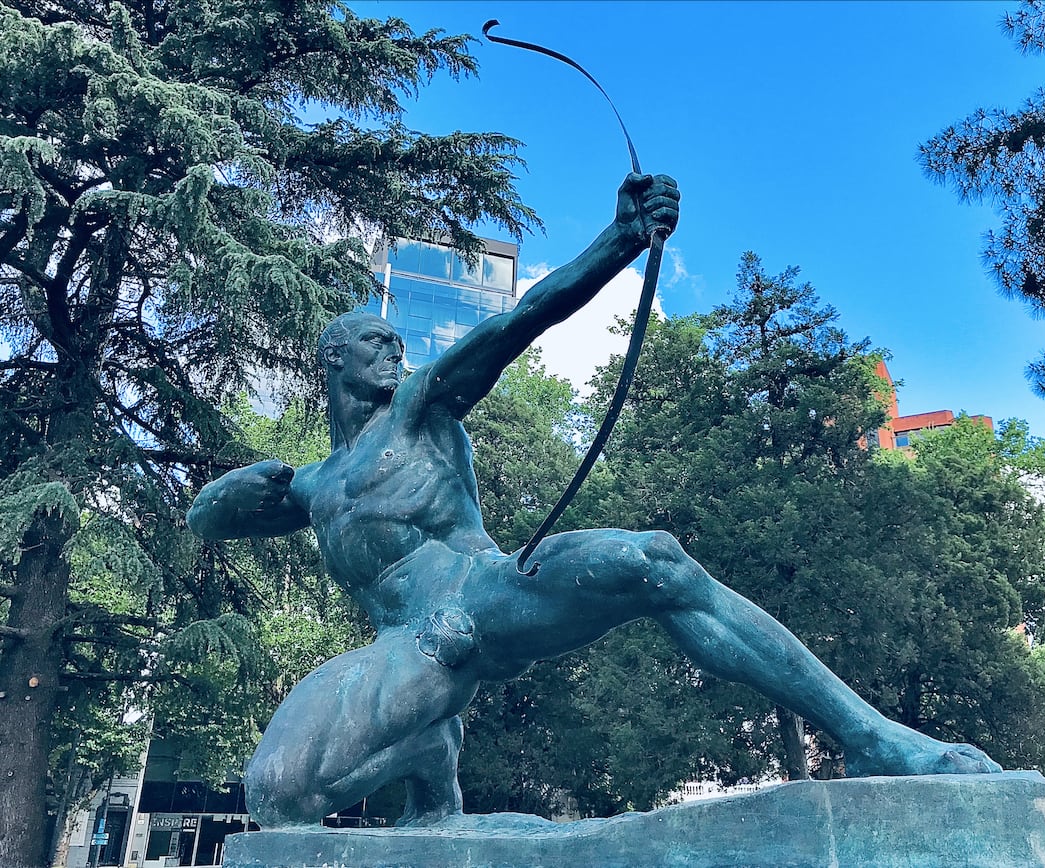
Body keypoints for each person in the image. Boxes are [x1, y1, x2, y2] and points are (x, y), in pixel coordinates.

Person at [187, 173, 1000, 828]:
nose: (395, 354)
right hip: (409, 647)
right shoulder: (312, 486)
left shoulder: (423, 408)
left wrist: (619, 241)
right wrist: (225, 491)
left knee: (653, 560)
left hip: (486, 595)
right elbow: (208, 522)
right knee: (277, 798)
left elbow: (517, 322)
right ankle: (433, 792)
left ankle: (871, 738)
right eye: (376, 344)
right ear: (332, 361)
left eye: (398, 344)